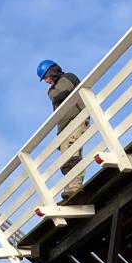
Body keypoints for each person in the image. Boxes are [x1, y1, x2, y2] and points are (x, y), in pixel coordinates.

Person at [37, 59, 86, 196]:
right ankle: (69, 187)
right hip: (64, 126)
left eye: (45, 77)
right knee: (65, 160)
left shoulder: (67, 77)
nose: (46, 81)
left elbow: (59, 94)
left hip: (75, 119)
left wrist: (51, 91)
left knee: (73, 154)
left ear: (51, 72)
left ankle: (75, 186)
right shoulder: (55, 86)